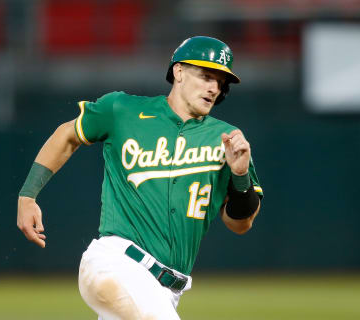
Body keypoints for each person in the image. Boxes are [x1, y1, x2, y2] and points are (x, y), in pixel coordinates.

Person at [17, 36, 264, 320]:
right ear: (179, 71)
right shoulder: (123, 110)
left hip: (166, 291)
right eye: (206, 75)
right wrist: (28, 195)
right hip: (117, 263)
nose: (213, 87)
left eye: (220, 82)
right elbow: (68, 135)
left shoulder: (228, 140)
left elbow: (241, 224)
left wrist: (241, 175)